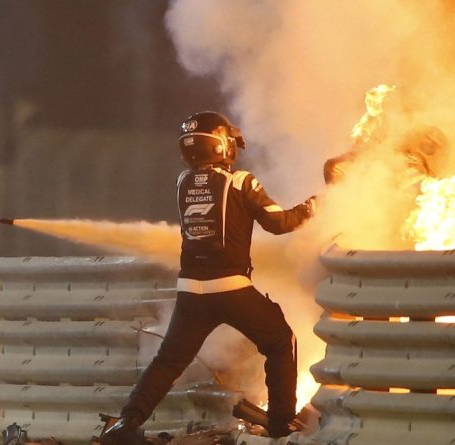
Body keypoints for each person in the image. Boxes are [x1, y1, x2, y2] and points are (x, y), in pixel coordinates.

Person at [100, 111, 317, 443]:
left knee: (169, 362)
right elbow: (280, 224)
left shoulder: (182, 182)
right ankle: (281, 424)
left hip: (190, 291)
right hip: (230, 286)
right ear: (220, 145)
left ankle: (125, 423)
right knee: (279, 340)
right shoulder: (241, 181)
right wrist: (312, 207)